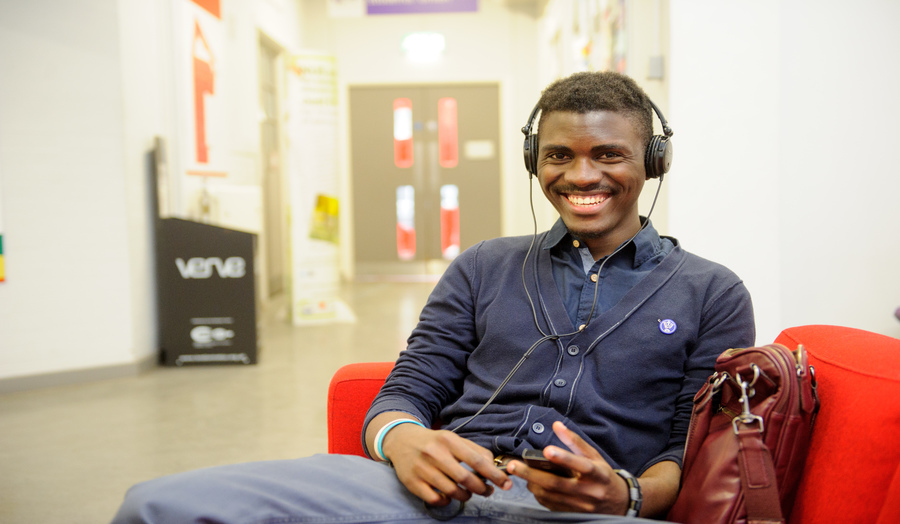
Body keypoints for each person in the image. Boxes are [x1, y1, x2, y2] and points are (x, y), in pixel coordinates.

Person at [112, 71, 755, 524]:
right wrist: (402, 441)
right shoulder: (483, 265)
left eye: (609, 155)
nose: (581, 175)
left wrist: (626, 496)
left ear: (652, 162)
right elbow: (408, 388)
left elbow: (693, 451)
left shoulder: (712, 291)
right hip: (436, 496)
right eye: (559, 155)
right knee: (155, 506)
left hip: (589, 513)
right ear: (535, 161)